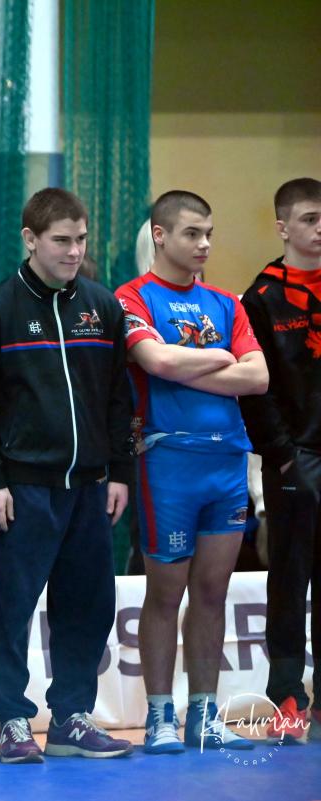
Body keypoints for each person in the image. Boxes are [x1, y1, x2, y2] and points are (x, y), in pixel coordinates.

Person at [0, 187, 134, 763]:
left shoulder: (102, 306)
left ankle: (71, 718)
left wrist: (119, 471)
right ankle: (12, 720)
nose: (74, 251)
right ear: (30, 240)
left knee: (89, 605)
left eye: (81, 239)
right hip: (24, 488)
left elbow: (119, 397)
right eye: (61, 240)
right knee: (12, 607)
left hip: (91, 486)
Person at [116, 191, 267, 753]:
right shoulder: (132, 297)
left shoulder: (227, 303)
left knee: (212, 592)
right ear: (160, 235)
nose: (204, 244)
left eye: (209, 234)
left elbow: (258, 377)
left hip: (226, 463)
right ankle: (160, 716)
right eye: (191, 233)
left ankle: (204, 715)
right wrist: (222, 358)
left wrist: (188, 367)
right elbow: (155, 361)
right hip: (167, 464)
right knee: (165, 593)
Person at [238, 176, 321, 743]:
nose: (320, 229)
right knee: (290, 580)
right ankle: (288, 695)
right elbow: (255, 390)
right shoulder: (261, 298)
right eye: (310, 219)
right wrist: (284, 457)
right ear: (283, 227)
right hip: (296, 458)